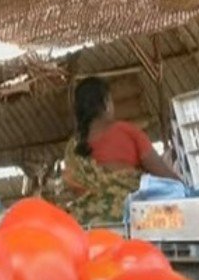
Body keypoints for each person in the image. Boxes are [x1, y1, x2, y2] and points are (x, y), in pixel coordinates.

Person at [61, 77, 181, 225]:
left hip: (87, 224)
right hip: (132, 221)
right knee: (179, 216)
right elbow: (166, 177)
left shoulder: (72, 148)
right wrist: (187, 189)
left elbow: (72, 191)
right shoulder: (127, 132)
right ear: (106, 104)